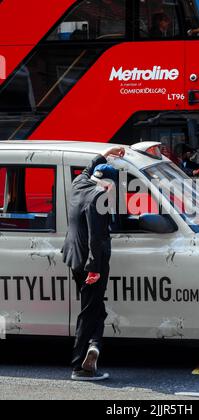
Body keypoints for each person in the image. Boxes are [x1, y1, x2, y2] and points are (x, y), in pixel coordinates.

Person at [62, 146, 125, 381]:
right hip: (90, 262)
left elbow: (88, 169)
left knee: (96, 308)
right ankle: (80, 366)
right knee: (90, 312)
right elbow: (96, 239)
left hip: (73, 255)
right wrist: (95, 269)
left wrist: (106, 154)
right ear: (108, 184)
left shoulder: (79, 185)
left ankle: (94, 347)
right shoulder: (100, 198)